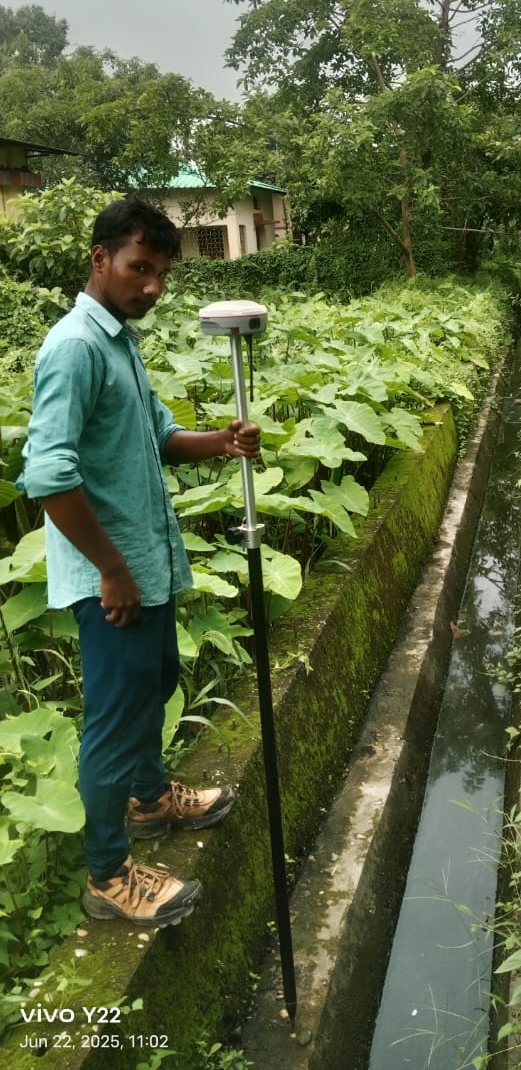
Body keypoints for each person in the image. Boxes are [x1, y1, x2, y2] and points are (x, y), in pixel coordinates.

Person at [20, 196, 260, 929]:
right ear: (100, 260)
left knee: (158, 681)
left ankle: (152, 798)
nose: (152, 286)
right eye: (139, 269)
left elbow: (157, 434)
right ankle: (107, 875)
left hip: (145, 565)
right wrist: (112, 570)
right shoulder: (75, 347)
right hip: (113, 578)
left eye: (161, 273)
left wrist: (219, 442)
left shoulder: (120, 339)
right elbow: (47, 474)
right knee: (116, 722)